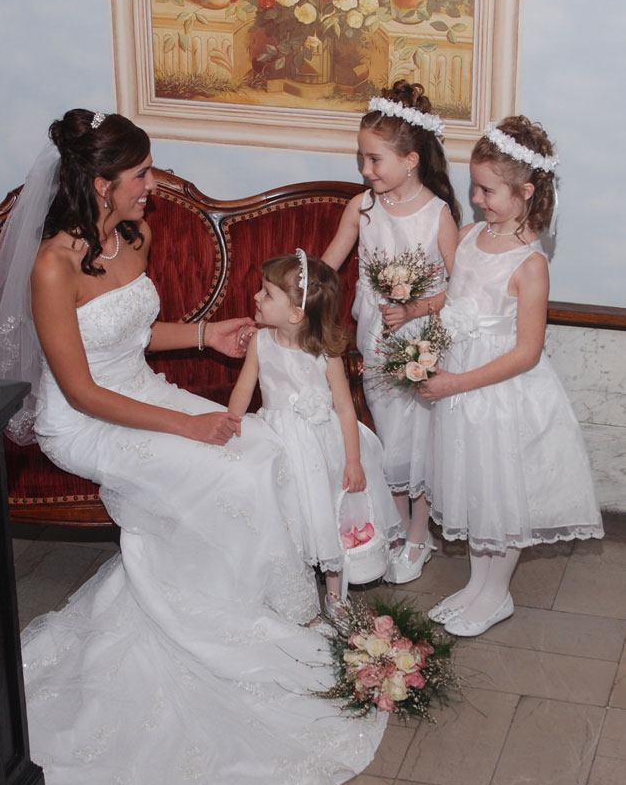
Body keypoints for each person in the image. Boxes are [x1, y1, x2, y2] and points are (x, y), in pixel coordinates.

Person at [0, 108, 386, 785]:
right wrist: (189, 425)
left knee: (260, 457)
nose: (151, 186)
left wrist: (204, 335)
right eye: (139, 175)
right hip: (90, 423)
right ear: (100, 184)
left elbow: (131, 335)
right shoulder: (51, 266)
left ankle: (251, 607)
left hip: (144, 395)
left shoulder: (134, 235)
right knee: (221, 478)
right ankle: (212, 627)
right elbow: (83, 388)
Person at [420, 116, 604, 637]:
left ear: (526, 192)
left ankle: (497, 592)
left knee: (504, 492)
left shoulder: (530, 263)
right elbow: (455, 303)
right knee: (475, 487)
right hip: (461, 385)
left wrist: (456, 382)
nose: (476, 199)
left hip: (501, 393)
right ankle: (478, 585)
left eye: (487, 190)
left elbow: (526, 352)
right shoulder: (473, 235)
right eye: (474, 186)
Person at [322, 82, 460, 585]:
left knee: (421, 437)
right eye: (361, 158)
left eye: (375, 160)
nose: (365, 170)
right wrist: (295, 289)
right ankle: (398, 528)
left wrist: (417, 307)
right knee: (391, 436)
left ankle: (419, 533)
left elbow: (463, 291)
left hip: (425, 341)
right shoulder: (362, 208)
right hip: (376, 340)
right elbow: (330, 263)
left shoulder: (437, 216)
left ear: (411, 160)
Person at [228, 250, 401, 618]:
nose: (257, 297)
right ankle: (292, 586)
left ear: (295, 312)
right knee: (289, 515)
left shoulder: (326, 353)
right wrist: (231, 422)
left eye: (267, 293)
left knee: (326, 515)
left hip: (324, 447)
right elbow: (244, 388)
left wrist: (352, 461)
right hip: (277, 442)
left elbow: (344, 408)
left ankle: (336, 594)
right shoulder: (261, 343)